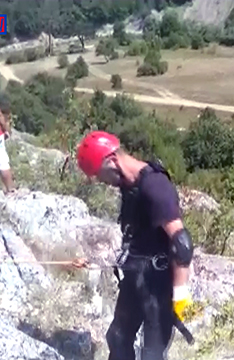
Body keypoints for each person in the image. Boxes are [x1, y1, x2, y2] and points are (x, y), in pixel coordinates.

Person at [72, 131, 194, 360]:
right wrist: (96, 261)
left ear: (112, 161)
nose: (100, 181)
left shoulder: (154, 186)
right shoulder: (130, 184)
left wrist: (180, 295)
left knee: (152, 354)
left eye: (99, 174)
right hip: (135, 276)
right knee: (118, 339)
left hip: (159, 285)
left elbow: (181, 243)